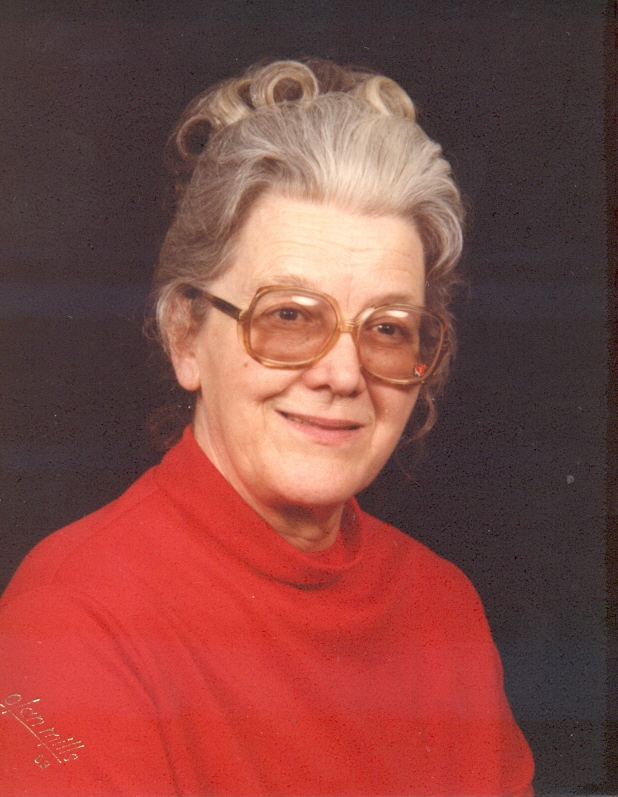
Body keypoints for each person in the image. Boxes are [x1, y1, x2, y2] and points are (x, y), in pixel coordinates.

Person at [0, 59, 534, 796]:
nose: (342, 374)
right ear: (186, 335)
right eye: (288, 316)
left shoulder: (443, 609)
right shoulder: (75, 616)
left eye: (386, 328)